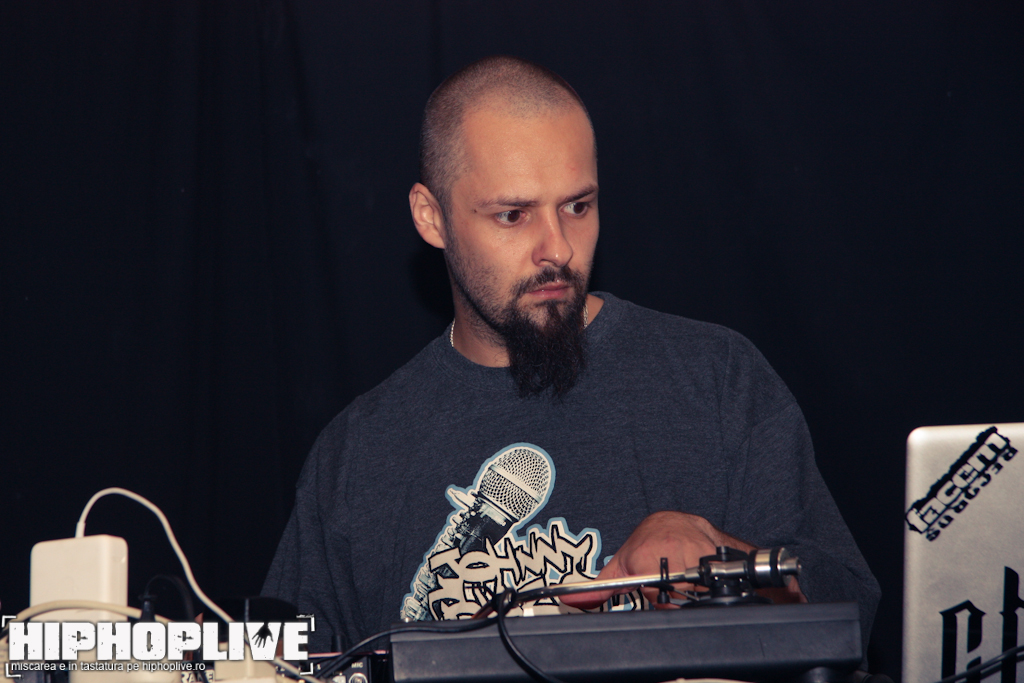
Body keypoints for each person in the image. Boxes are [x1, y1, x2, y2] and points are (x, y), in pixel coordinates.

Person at [262, 55, 880, 655]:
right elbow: (277, 661)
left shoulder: (715, 379)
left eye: (577, 206)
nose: (557, 248)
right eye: (513, 215)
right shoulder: (359, 453)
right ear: (432, 217)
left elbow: (850, 615)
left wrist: (719, 558)